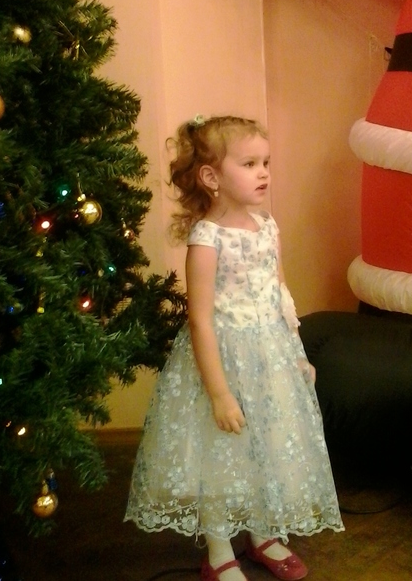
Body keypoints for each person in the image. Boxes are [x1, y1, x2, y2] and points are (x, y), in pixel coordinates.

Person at [125, 115, 344, 581]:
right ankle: (219, 548)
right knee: (222, 452)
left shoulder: (267, 227)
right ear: (212, 177)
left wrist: (297, 351)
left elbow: (280, 293)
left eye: (266, 162)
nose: (263, 173)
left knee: (268, 444)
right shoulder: (207, 239)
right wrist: (220, 393)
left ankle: (262, 532)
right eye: (249, 164)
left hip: (270, 357)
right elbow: (200, 320)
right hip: (222, 360)